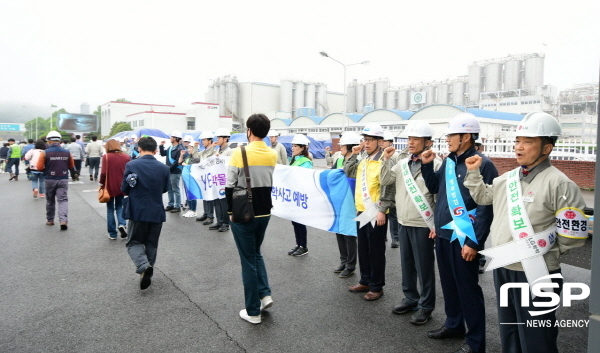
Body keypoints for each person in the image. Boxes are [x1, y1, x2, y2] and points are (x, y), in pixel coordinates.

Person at [463, 112, 587, 353]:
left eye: (528, 142)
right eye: (518, 140)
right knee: (510, 330)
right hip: (504, 267)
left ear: (546, 148)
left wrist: (546, 252)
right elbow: (483, 197)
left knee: (536, 336)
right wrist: (474, 173)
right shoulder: (507, 179)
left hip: (537, 272)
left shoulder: (559, 183)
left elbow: (573, 235)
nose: (519, 147)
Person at [421, 113, 498, 353]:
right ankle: (453, 325)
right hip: (444, 234)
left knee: (468, 290)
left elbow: (486, 207)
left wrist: (474, 243)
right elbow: (436, 189)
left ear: (466, 136)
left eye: (452, 135)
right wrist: (426, 166)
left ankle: (475, 343)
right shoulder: (449, 161)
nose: (448, 140)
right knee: (450, 284)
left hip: (465, 238)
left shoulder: (482, 164)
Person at [380, 120, 441, 326]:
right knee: (406, 264)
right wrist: (387, 160)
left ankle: (426, 306)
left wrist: (436, 225)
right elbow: (386, 181)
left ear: (428, 142)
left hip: (424, 223)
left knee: (424, 267)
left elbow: (439, 196)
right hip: (404, 220)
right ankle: (410, 298)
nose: (411, 142)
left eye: (416, 139)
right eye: (409, 138)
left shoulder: (437, 162)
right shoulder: (402, 162)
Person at [226, 113, 277, 324]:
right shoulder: (272, 153)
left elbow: (229, 184)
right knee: (256, 253)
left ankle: (253, 311)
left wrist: (229, 212)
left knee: (247, 260)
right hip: (265, 211)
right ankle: (264, 295)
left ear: (249, 131)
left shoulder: (239, 152)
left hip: (244, 212)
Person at [344, 123, 395, 301]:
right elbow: (348, 171)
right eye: (365, 139)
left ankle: (376, 286)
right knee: (363, 248)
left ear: (380, 142)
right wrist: (354, 154)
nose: (366, 143)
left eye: (370, 140)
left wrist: (382, 210)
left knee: (376, 250)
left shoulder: (384, 159)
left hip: (376, 211)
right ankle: (365, 279)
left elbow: (388, 186)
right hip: (361, 210)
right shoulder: (363, 159)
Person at [121, 136, 170, 290]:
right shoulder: (164, 168)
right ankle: (147, 270)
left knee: (134, 242)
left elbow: (124, 188)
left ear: (139, 149)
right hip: (156, 210)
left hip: (138, 210)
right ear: (155, 151)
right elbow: (165, 189)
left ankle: (143, 265)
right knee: (151, 243)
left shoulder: (132, 165)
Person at [331, 132, 360, 278]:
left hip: (351, 201)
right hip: (339, 200)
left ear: (350, 147)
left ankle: (350, 264)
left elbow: (350, 175)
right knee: (339, 230)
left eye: (343, 144)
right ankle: (343, 261)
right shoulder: (339, 159)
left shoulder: (357, 161)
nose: (340, 146)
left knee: (348, 233)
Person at [36, 131, 76, 230]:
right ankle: (63, 220)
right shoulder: (67, 152)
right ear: (60, 140)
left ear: (49, 141)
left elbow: (39, 167)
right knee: (62, 200)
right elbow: (71, 165)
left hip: (49, 179)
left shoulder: (44, 152)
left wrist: (47, 169)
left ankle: (50, 220)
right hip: (63, 178)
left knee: (50, 200)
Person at [287, 134, 313, 257]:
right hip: (294, 195)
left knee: (300, 221)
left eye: (295, 146)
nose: (293, 148)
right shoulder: (295, 159)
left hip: (301, 195)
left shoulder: (306, 162)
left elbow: (303, 178)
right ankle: (298, 244)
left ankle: (304, 246)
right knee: (295, 222)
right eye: (292, 145)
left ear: (303, 148)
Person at [100, 139, 131, 240]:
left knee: (110, 209)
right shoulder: (126, 157)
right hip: (122, 185)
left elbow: (104, 173)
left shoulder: (106, 157)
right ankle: (122, 224)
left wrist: (101, 184)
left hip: (109, 186)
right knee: (119, 206)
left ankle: (112, 234)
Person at [208, 128, 233, 232]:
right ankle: (219, 221)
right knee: (217, 201)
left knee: (224, 203)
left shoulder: (229, 151)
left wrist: (220, 158)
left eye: (220, 137)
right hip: (217, 180)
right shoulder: (218, 150)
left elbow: (229, 165)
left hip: (224, 181)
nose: (218, 139)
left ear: (225, 139)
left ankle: (226, 223)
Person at [194, 131, 218, 224]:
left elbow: (209, 159)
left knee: (210, 196)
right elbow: (195, 157)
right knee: (205, 195)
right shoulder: (203, 151)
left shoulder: (214, 150)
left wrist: (212, 147)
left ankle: (210, 216)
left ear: (210, 140)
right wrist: (195, 147)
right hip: (203, 176)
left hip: (211, 176)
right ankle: (206, 213)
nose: (202, 141)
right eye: (202, 140)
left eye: (204, 140)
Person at [382, 130, 400, 248]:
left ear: (390, 142)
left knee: (393, 215)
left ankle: (395, 239)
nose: (382, 143)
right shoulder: (383, 154)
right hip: (383, 188)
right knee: (383, 213)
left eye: (384, 141)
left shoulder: (395, 155)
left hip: (393, 189)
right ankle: (384, 236)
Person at [159, 130, 185, 213]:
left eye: (172, 137)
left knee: (175, 189)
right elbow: (163, 154)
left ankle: (177, 206)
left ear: (176, 138)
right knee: (169, 189)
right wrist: (161, 146)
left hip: (175, 171)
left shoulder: (180, 148)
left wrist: (168, 168)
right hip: (169, 170)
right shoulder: (170, 148)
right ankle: (171, 204)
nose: (170, 138)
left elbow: (177, 162)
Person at [179, 136, 200, 218]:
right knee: (188, 194)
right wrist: (181, 155)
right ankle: (190, 209)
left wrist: (187, 164)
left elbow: (196, 165)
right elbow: (180, 163)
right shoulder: (188, 157)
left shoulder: (196, 157)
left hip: (192, 178)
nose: (189, 149)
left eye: (190, 148)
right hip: (186, 178)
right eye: (188, 148)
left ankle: (193, 210)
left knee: (192, 194)